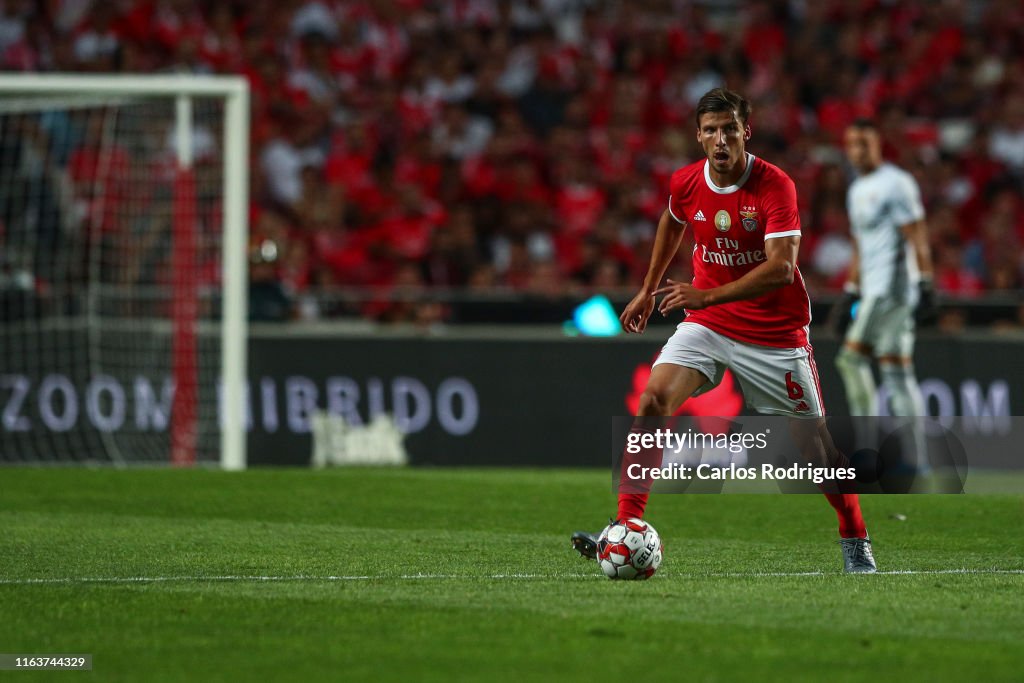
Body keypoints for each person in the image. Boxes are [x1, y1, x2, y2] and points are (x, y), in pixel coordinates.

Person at [571, 88, 876, 573]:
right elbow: (672, 224)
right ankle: (627, 525)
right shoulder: (686, 182)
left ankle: (854, 534)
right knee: (653, 400)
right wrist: (648, 289)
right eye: (710, 130)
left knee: (817, 454)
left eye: (729, 129)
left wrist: (704, 294)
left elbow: (780, 268)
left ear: (745, 132)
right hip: (708, 324)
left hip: (775, 333)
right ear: (698, 135)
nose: (720, 139)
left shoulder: (775, 186)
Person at [834, 119, 935, 478]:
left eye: (864, 143)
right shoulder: (857, 189)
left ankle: (865, 453)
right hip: (871, 288)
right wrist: (849, 291)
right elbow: (861, 246)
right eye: (852, 144)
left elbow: (916, 234)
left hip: (891, 290)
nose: (857, 150)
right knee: (895, 371)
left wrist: (925, 281)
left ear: (878, 144)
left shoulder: (896, 183)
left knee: (850, 360)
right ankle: (917, 460)